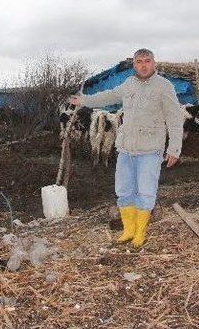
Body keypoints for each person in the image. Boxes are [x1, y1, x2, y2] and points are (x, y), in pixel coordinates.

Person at [69, 49, 183, 248]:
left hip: (150, 148)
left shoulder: (164, 87)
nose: (144, 65)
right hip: (126, 148)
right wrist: (85, 100)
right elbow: (109, 96)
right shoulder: (129, 83)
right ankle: (128, 230)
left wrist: (174, 148)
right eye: (139, 62)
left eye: (147, 61)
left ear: (154, 63)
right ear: (134, 65)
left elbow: (175, 119)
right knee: (123, 190)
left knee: (146, 191)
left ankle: (140, 232)